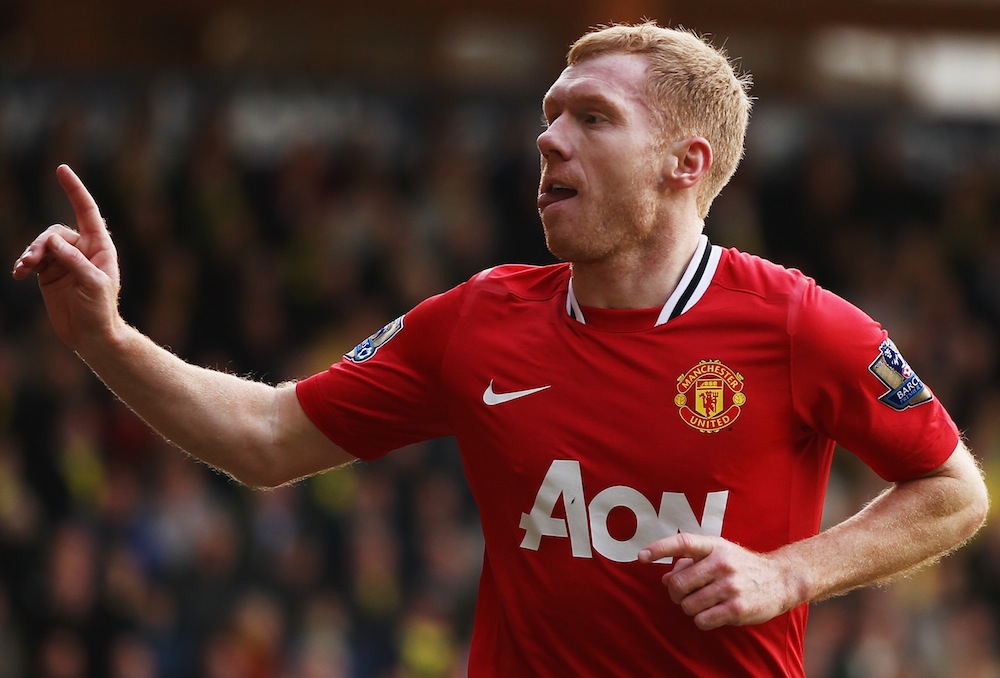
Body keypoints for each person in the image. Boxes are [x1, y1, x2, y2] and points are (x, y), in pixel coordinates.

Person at [11, 20, 989, 677]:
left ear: (684, 164)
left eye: (592, 118)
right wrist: (105, 336)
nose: (550, 139)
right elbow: (267, 437)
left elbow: (954, 491)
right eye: (549, 116)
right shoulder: (480, 319)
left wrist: (790, 573)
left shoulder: (797, 324)